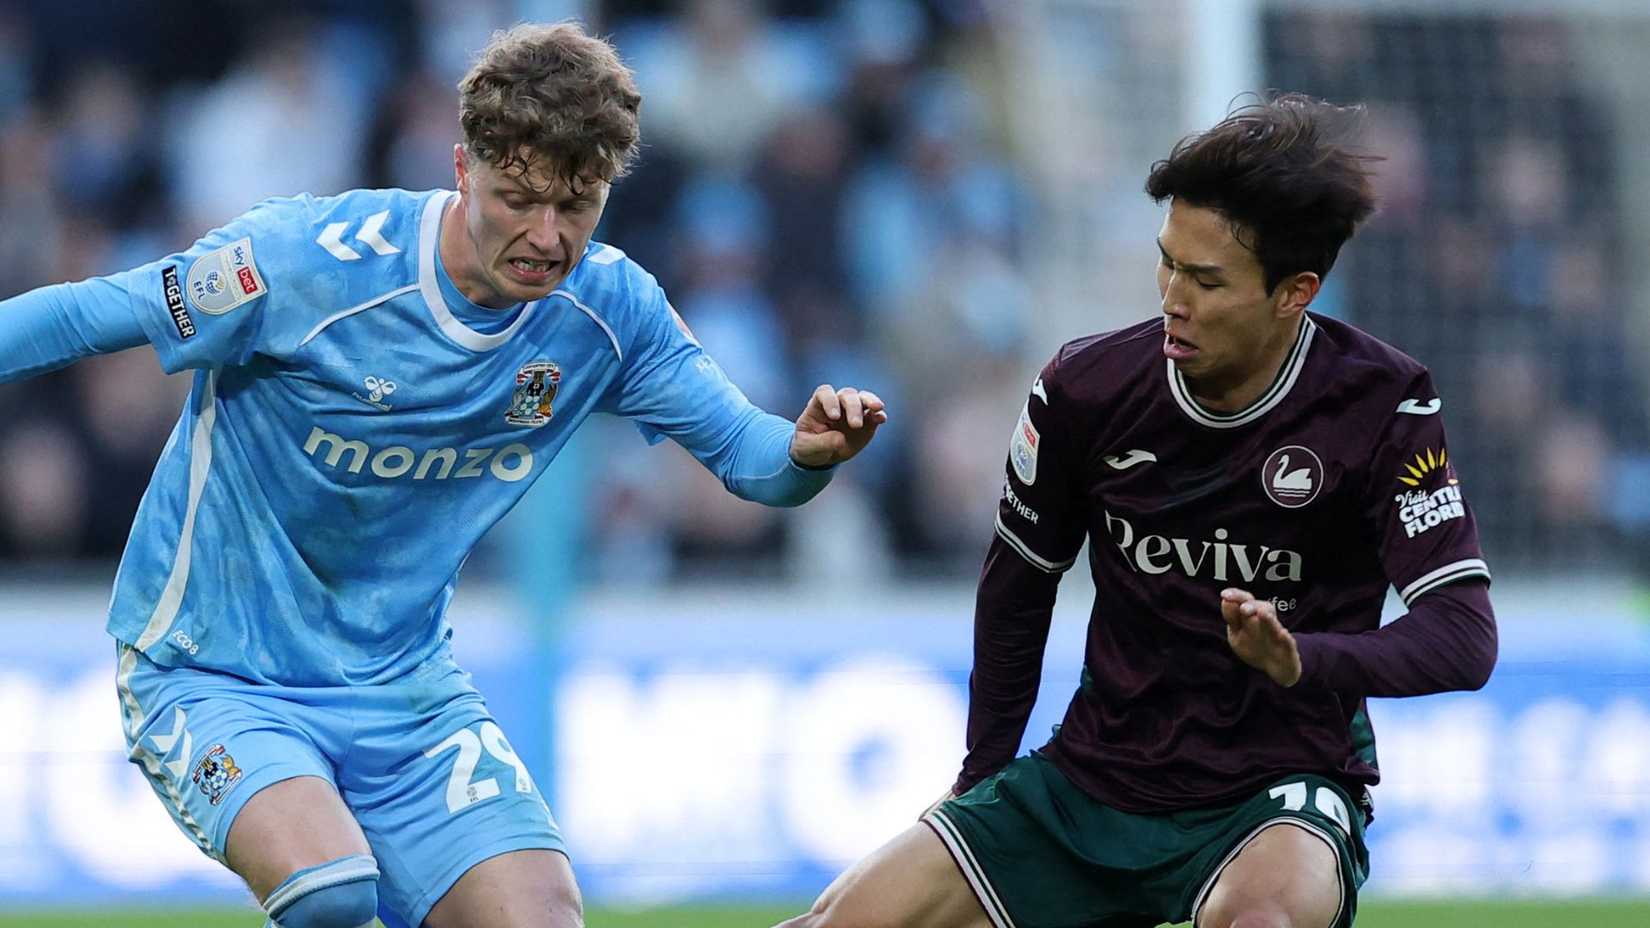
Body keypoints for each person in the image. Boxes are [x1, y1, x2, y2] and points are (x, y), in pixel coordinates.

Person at [0, 22, 886, 928]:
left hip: (401, 689)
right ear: (463, 167)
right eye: (518, 198)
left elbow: (750, 458)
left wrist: (807, 454)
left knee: (540, 918)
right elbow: (85, 314)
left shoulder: (610, 311)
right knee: (329, 893)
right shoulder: (308, 263)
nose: (546, 237)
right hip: (214, 670)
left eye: (576, 207)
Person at [781, 94, 1495, 928]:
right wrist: (981, 785)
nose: (1171, 299)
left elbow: (1463, 637)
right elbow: (1018, 588)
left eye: (1205, 280)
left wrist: (1305, 658)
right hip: (1095, 776)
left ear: (1294, 292)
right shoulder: (1085, 390)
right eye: (1168, 264)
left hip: (1279, 792)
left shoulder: (1382, 404)